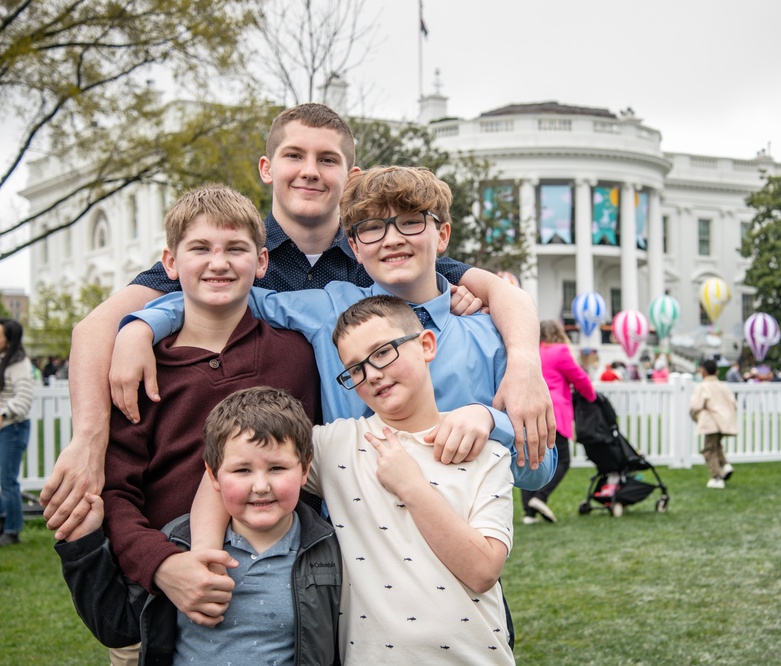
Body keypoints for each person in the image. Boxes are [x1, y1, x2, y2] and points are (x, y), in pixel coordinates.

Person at [40, 102, 554, 542]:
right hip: (304, 517)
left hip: (454, 541)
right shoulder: (236, 245)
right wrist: (142, 324)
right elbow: (211, 298)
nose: (310, 170)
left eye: (327, 159)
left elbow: (502, 294)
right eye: (295, 156)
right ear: (268, 167)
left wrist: (520, 372)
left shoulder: (389, 262)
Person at [116, 166, 554, 491]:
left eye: (411, 222)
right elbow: (222, 296)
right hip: (351, 553)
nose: (393, 238)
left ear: (441, 237)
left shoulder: (490, 335)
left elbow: (537, 473)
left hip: (459, 555)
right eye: (372, 228)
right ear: (355, 247)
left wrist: (488, 421)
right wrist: (141, 326)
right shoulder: (328, 307)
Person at [195, 296, 515, 662]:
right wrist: (206, 557)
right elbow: (228, 464)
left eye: (382, 352)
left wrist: (412, 487)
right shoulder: (337, 445)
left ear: (426, 345)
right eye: (356, 368)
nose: (372, 374)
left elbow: (483, 571)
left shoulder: (485, 453)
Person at [99, 185, 322, 665]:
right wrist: (162, 566)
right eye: (200, 248)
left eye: (235, 249)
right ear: (171, 262)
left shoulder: (296, 356)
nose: (218, 263)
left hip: (282, 608)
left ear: (261, 262)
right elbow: (115, 491)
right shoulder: (137, 368)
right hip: (159, 609)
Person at [57, 387, 341, 664]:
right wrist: (84, 542)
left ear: (304, 469)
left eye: (277, 468)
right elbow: (117, 626)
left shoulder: (329, 551)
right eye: (242, 470)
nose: (261, 486)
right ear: (213, 475)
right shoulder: (178, 545)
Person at [522, 320, 596, 524]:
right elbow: (580, 378)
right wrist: (591, 397)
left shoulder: (530, 351)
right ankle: (540, 497)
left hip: (529, 409)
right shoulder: (560, 351)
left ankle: (529, 512)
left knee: (530, 459)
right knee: (562, 459)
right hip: (553, 410)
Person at [0, 319, 35, 547]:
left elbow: (23, 400)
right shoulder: (3, 361)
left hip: (11, 428)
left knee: (7, 481)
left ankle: (12, 531)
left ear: (9, 339)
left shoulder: (19, 363)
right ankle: (3, 523)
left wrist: (2, 417)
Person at [689, 359, 737, 489]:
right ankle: (725, 465)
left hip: (711, 422)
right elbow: (733, 403)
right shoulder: (723, 386)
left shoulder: (702, 387)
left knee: (708, 450)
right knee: (716, 446)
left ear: (702, 371)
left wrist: (695, 414)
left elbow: (695, 405)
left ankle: (717, 477)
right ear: (717, 371)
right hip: (724, 421)